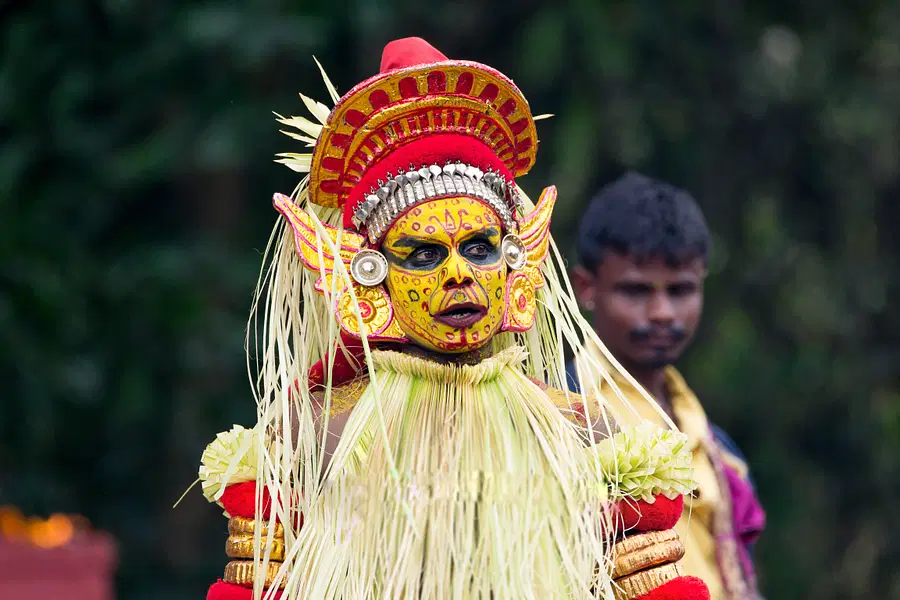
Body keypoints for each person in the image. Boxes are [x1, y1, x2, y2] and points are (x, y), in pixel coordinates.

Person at [193, 40, 713, 600]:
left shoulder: (581, 429)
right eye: (423, 254)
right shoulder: (312, 434)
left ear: (515, 259)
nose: (459, 275)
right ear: (368, 273)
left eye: (481, 248)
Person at [569, 172, 766, 600]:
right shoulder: (556, 415)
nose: (661, 312)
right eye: (636, 290)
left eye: (680, 290)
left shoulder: (721, 452)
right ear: (587, 288)